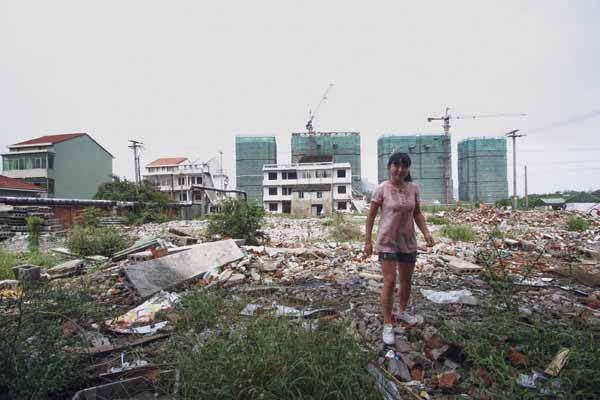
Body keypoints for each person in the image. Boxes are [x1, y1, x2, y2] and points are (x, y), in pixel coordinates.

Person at [364, 152, 435, 345]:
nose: (400, 169)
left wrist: (427, 233)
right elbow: (370, 217)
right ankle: (388, 323)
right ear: (389, 167)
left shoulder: (413, 189)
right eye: (396, 165)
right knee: (389, 280)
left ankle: (402, 312)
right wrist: (368, 241)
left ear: (408, 169)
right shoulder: (382, 189)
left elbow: (417, 214)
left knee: (406, 280)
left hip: (408, 241)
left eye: (404, 166)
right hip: (387, 241)